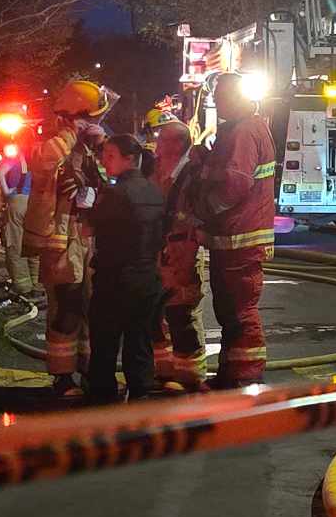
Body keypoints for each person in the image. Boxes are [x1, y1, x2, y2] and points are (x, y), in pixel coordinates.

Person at [22, 78, 110, 397]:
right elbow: (44, 163)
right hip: (61, 240)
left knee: (92, 307)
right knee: (66, 309)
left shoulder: (91, 148)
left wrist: (100, 147)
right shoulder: (51, 144)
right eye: (92, 118)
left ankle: (87, 370)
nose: (97, 123)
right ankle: (62, 377)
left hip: (89, 237)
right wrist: (70, 134)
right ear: (75, 117)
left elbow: (111, 179)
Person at [196, 76, 277, 387]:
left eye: (220, 97)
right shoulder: (242, 128)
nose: (217, 104)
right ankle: (231, 373)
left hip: (239, 236)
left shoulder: (243, 131)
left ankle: (244, 376)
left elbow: (236, 183)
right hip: (233, 237)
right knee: (229, 310)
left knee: (239, 311)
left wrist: (203, 211)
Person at [84, 132, 167, 403]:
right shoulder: (154, 191)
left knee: (105, 340)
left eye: (110, 156)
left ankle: (102, 396)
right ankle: (140, 393)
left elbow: (88, 228)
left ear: (129, 159)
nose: (104, 161)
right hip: (147, 278)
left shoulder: (115, 193)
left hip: (115, 278)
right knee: (139, 339)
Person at [149, 110, 209, 389]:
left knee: (182, 314)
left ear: (177, 144)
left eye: (162, 140)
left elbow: (195, 214)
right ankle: (163, 372)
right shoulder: (159, 170)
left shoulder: (191, 175)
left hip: (181, 253)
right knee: (156, 314)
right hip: (159, 253)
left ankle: (191, 378)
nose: (157, 145)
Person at [0, 145, 35, 297]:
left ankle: (23, 288)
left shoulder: (14, 158)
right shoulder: (36, 159)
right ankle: (37, 286)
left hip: (17, 201)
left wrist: (6, 192)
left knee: (14, 245)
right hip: (35, 204)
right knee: (33, 246)